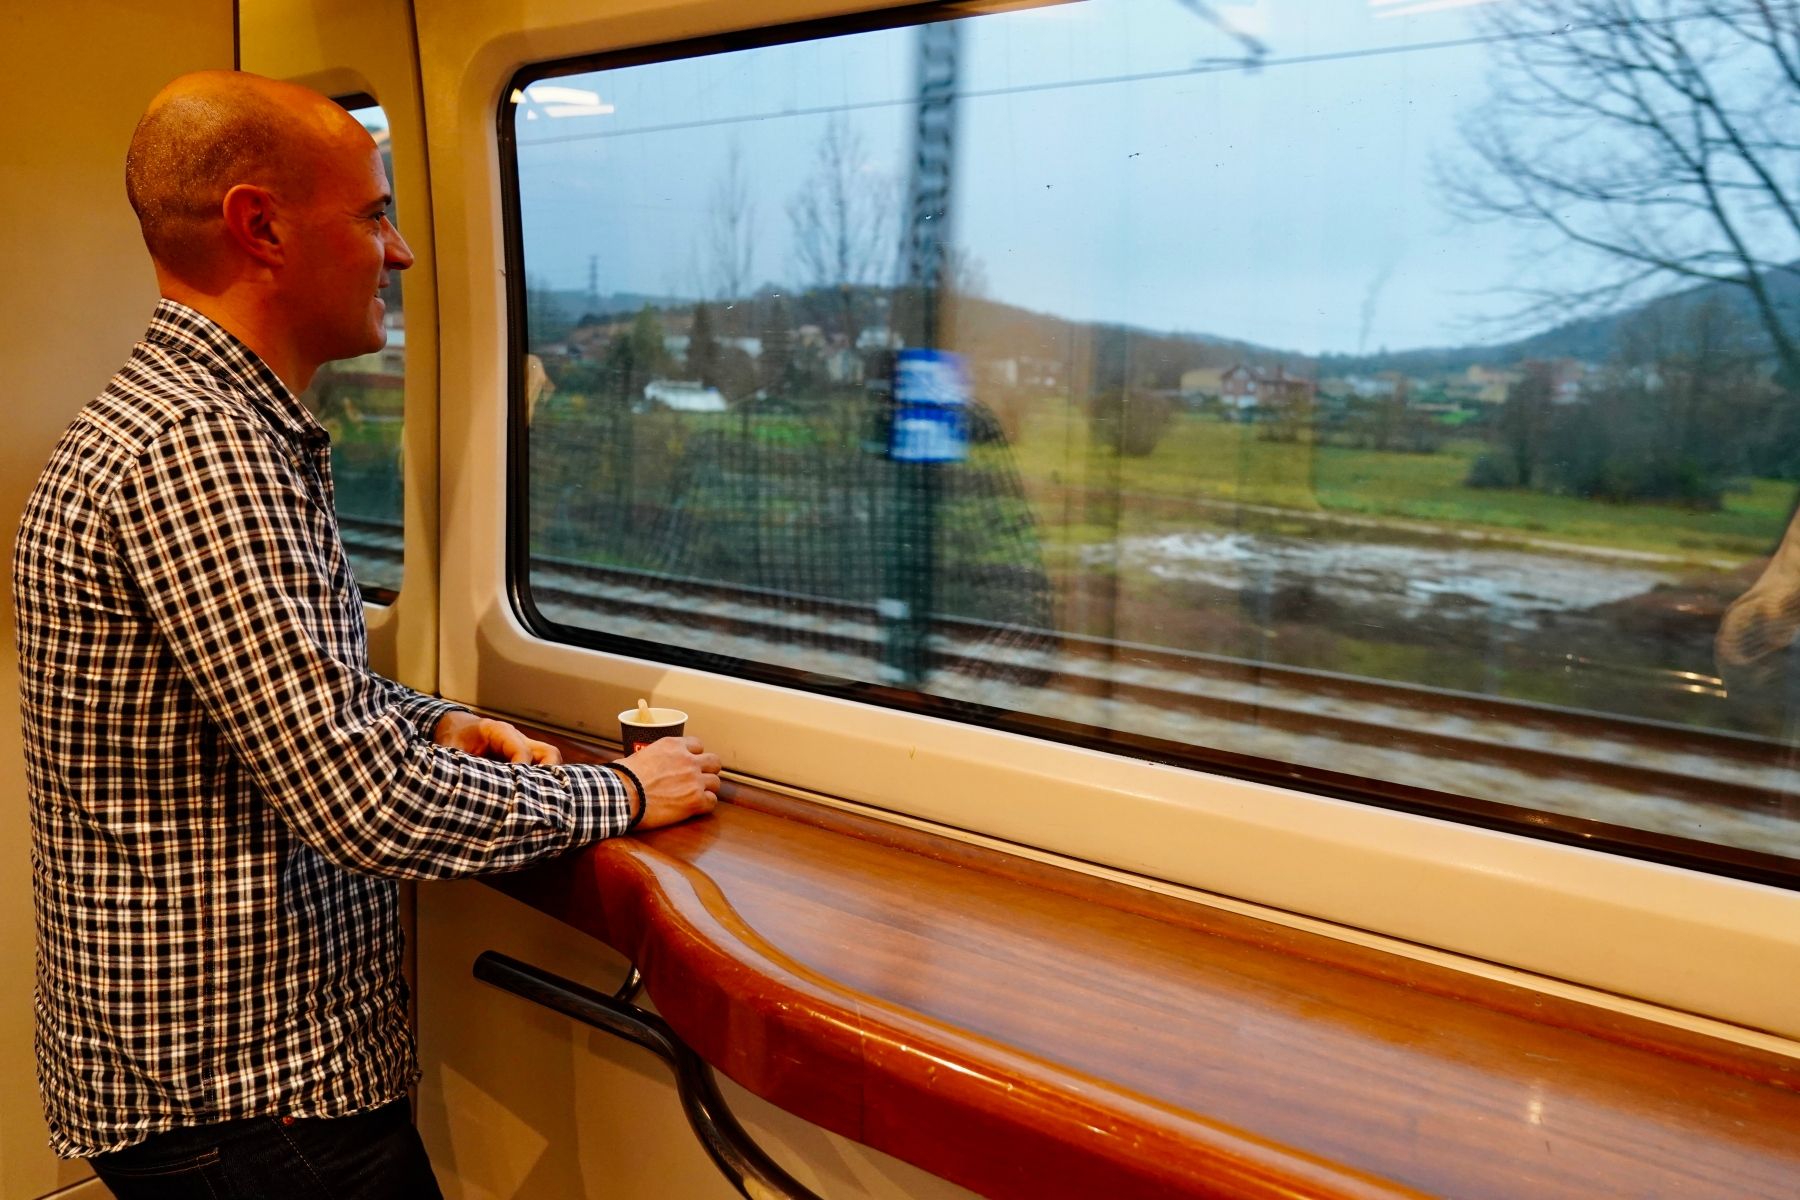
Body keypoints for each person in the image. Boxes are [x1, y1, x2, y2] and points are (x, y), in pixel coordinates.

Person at [12, 70, 720, 1199]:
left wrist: (437, 721)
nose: (399, 252)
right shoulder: (201, 451)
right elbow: (363, 803)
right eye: (375, 212)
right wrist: (626, 794)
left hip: (208, 1070)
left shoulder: (172, 423)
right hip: (244, 1094)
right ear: (261, 226)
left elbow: (262, 699)